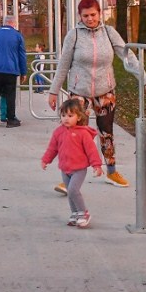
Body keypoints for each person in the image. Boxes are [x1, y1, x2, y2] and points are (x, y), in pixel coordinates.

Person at [48, 0, 146, 189]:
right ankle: (69, 176)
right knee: (74, 134)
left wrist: (145, 80)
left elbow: (129, 57)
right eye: (85, 16)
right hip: (79, 92)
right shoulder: (74, 35)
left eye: (93, 14)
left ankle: (111, 172)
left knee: (106, 132)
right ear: (80, 17)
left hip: (105, 91)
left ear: (99, 13)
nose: (90, 19)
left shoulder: (109, 32)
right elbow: (63, 65)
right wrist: (53, 91)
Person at [41, 97, 103, 227]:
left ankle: (83, 213)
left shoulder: (83, 133)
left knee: (73, 190)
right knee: (70, 192)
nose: (66, 119)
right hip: (65, 169)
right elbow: (52, 148)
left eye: (70, 116)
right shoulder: (58, 132)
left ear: (79, 117)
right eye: (63, 115)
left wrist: (96, 165)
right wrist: (46, 160)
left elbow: (91, 151)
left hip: (79, 169)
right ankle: (75, 213)